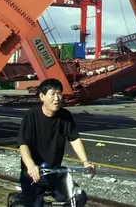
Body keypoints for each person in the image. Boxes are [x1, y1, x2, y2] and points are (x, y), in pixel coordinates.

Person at [17, 78, 95, 206]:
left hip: (55, 172)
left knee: (79, 198)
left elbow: (74, 138)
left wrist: (85, 161)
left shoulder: (65, 116)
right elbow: (23, 144)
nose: (57, 98)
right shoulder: (31, 116)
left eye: (59, 94)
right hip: (33, 174)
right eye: (52, 94)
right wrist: (30, 166)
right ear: (42, 96)